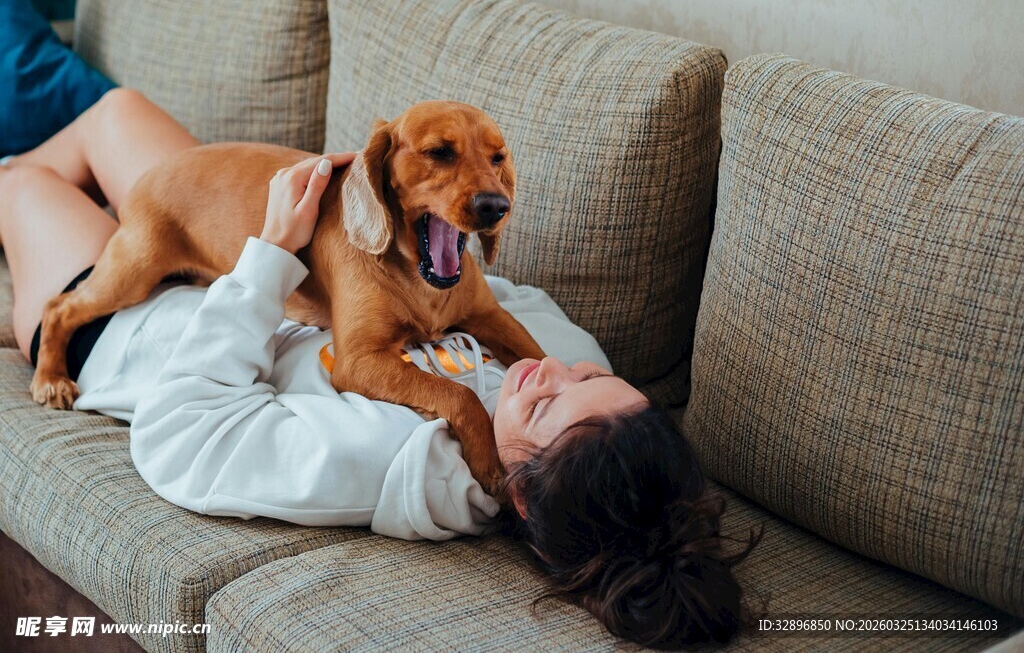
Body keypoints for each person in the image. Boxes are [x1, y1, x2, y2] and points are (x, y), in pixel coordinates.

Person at [0, 89, 760, 648]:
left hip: (133, 333)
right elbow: (510, 311)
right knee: (117, 111)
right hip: (244, 247)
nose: (556, 371)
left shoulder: (398, 462)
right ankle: (84, 242)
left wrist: (269, 252)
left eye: (547, 403)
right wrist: (375, 222)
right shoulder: (578, 397)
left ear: (516, 490)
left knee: (24, 182)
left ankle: (35, 316)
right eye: (595, 377)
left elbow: (178, 435)